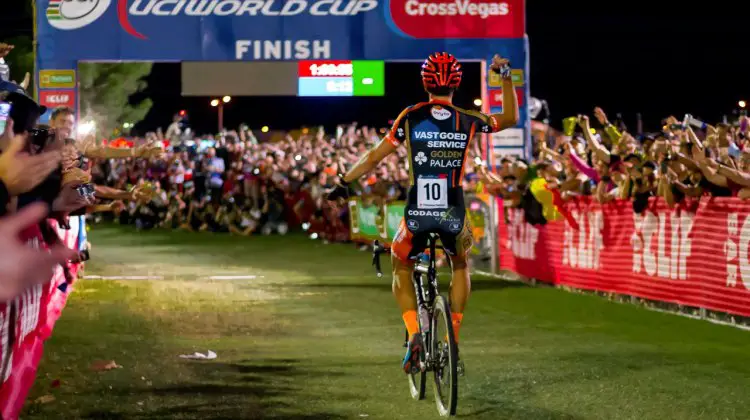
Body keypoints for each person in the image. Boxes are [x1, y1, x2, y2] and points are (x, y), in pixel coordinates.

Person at [328, 53, 519, 373]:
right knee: (460, 265)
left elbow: (375, 156)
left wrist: (344, 182)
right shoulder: (468, 118)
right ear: (457, 84)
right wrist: (505, 74)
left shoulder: (411, 116)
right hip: (453, 214)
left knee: (400, 267)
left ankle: (415, 333)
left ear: (425, 83)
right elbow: (509, 117)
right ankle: (453, 340)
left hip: (418, 214)